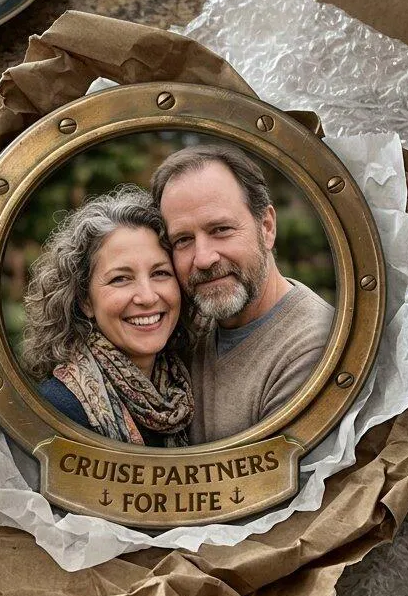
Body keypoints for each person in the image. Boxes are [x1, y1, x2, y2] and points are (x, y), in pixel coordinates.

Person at [151, 145, 335, 444]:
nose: (204, 258)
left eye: (220, 229)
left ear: (266, 227)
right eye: (183, 240)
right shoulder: (183, 327)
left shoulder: (313, 350)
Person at [22, 186, 194, 447]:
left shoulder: (182, 390)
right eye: (120, 278)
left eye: (160, 273)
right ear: (85, 300)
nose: (147, 296)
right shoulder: (58, 409)